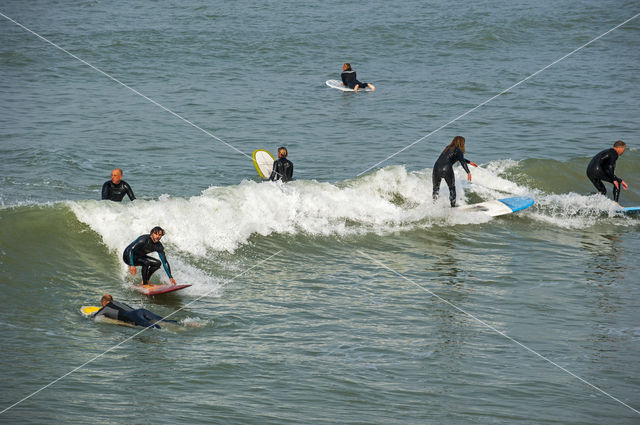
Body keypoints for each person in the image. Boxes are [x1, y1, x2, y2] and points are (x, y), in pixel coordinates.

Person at [432, 136, 478, 207]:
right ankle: (452, 208)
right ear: (462, 143)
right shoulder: (459, 151)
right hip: (446, 168)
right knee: (452, 189)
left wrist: (469, 162)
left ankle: (434, 205)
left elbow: (455, 158)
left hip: (436, 167)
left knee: (436, 189)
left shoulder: (447, 148)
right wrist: (468, 172)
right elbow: (462, 161)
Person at [92, 294, 176, 328]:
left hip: (134, 315)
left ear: (103, 302)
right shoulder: (120, 303)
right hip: (141, 311)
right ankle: (185, 323)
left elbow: (95, 317)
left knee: (154, 328)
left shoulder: (106, 308)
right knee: (165, 321)